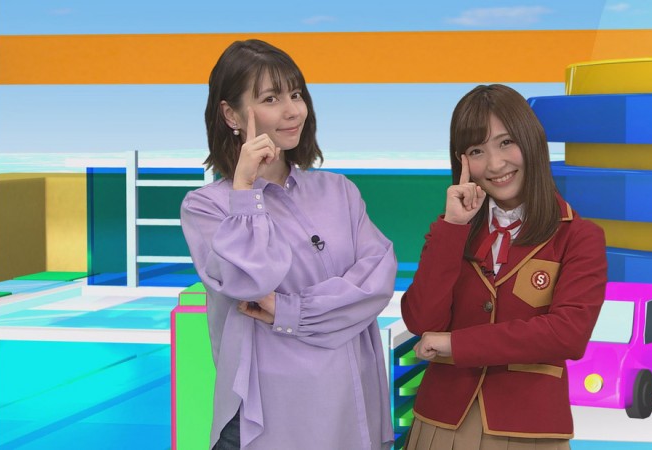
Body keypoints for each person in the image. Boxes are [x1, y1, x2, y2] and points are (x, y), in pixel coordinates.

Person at [180, 39, 396, 450]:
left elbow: (377, 281)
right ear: (231, 115)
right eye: (271, 98)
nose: (293, 110)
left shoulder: (339, 190)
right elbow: (250, 282)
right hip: (270, 416)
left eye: (296, 94)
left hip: (349, 405)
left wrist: (291, 310)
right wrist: (245, 191)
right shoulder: (206, 207)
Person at [400, 84, 607, 450]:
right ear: (462, 162)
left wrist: (456, 344)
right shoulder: (451, 229)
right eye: (477, 151)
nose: (495, 165)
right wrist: (453, 227)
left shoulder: (579, 236)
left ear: (531, 142)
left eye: (506, 142)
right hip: (440, 423)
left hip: (530, 428)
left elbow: (567, 334)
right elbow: (421, 320)